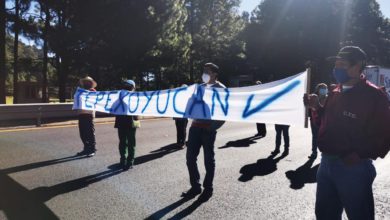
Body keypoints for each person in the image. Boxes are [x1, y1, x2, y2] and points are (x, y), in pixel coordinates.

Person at [305, 46, 390, 219]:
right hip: (326, 165)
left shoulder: (373, 95)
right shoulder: (335, 91)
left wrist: (358, 155)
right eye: (336, 64)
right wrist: (315, 108)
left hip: (353, 168)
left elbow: (385, 134)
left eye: (342, 64)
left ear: (358, 66)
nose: (337, 69)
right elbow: (325, 122)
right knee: (325, 215)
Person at [182, 63, 225, 201]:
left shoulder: (221, 89)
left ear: (215, 74)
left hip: (208, 130)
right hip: (194, 128)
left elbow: (224, 112)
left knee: (208, 160)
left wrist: (212, 127)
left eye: (207, 71)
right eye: (204, 71)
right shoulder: (198, 88)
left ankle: (208, 187)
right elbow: (190, 104)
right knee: (190, 159)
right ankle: (195, 186)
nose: (204, 73)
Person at [114, 80, 139, 170]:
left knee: (123, 142)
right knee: (129, 142)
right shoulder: (134, 96)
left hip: (123, 121)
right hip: (130, 121)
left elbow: (113, 108)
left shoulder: (119, 96)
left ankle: (125, 160)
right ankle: (128, 161)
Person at [77, 76, 97, 157]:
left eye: (88, 82)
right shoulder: (80, 92)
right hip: (81, 113)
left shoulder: (93, 91)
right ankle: (86, 148)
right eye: (85, 82)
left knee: (90, 132)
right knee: (82, 133)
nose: (86, 83)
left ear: (91, 83)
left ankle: (92, 149)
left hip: (89, 114)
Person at [308, 83, 328, 159]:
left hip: (323, 121)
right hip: (313, 120)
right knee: (315, 137)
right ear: (318, 90)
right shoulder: (313, 97)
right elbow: (309, 106)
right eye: (322, 88)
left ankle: (324, 153)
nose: (324, 90)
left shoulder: (328, 98)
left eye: (325, 88)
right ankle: (314, 152)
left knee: (323, 137)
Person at [173, 84, 189, 148]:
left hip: (184, 117)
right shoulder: (177, 97)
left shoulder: (187, 97)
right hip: (178, 117)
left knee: (183, 130)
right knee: (179, 130)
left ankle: (183, 143)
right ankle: (179, 142)